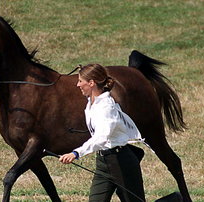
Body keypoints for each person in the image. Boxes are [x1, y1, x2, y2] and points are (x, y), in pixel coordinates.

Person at [59, 64, 146, 202]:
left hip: (121, 162)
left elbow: (102, 137)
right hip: (103, 163)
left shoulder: (106, 107)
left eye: (81, 81)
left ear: (91, 83)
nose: (77, 85)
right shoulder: (92, 103)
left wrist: (76, 153)